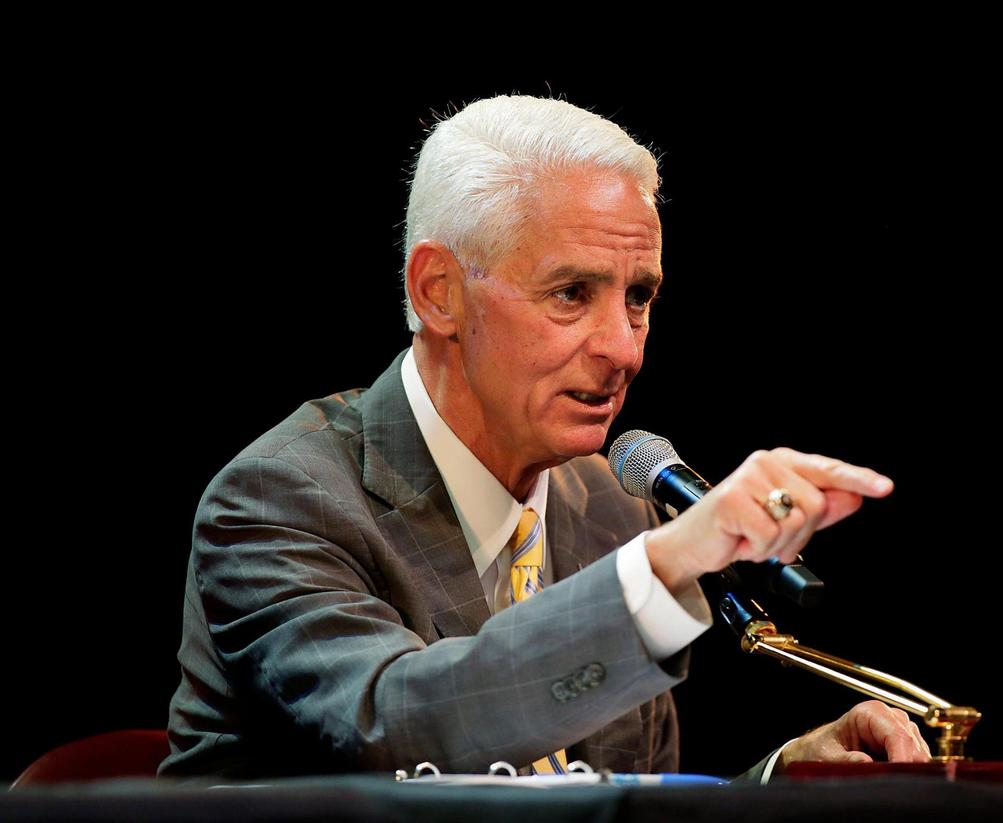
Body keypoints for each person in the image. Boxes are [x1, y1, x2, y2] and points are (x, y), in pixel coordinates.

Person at [160, 94, 931, 780]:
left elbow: (611, 806)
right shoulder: (281, 497)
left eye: (639, 296)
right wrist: (666, 563)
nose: (625, 348)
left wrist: (776, 787)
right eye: (572, 293)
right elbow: (399, 727)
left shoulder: (607, 508)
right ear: (440, 292)